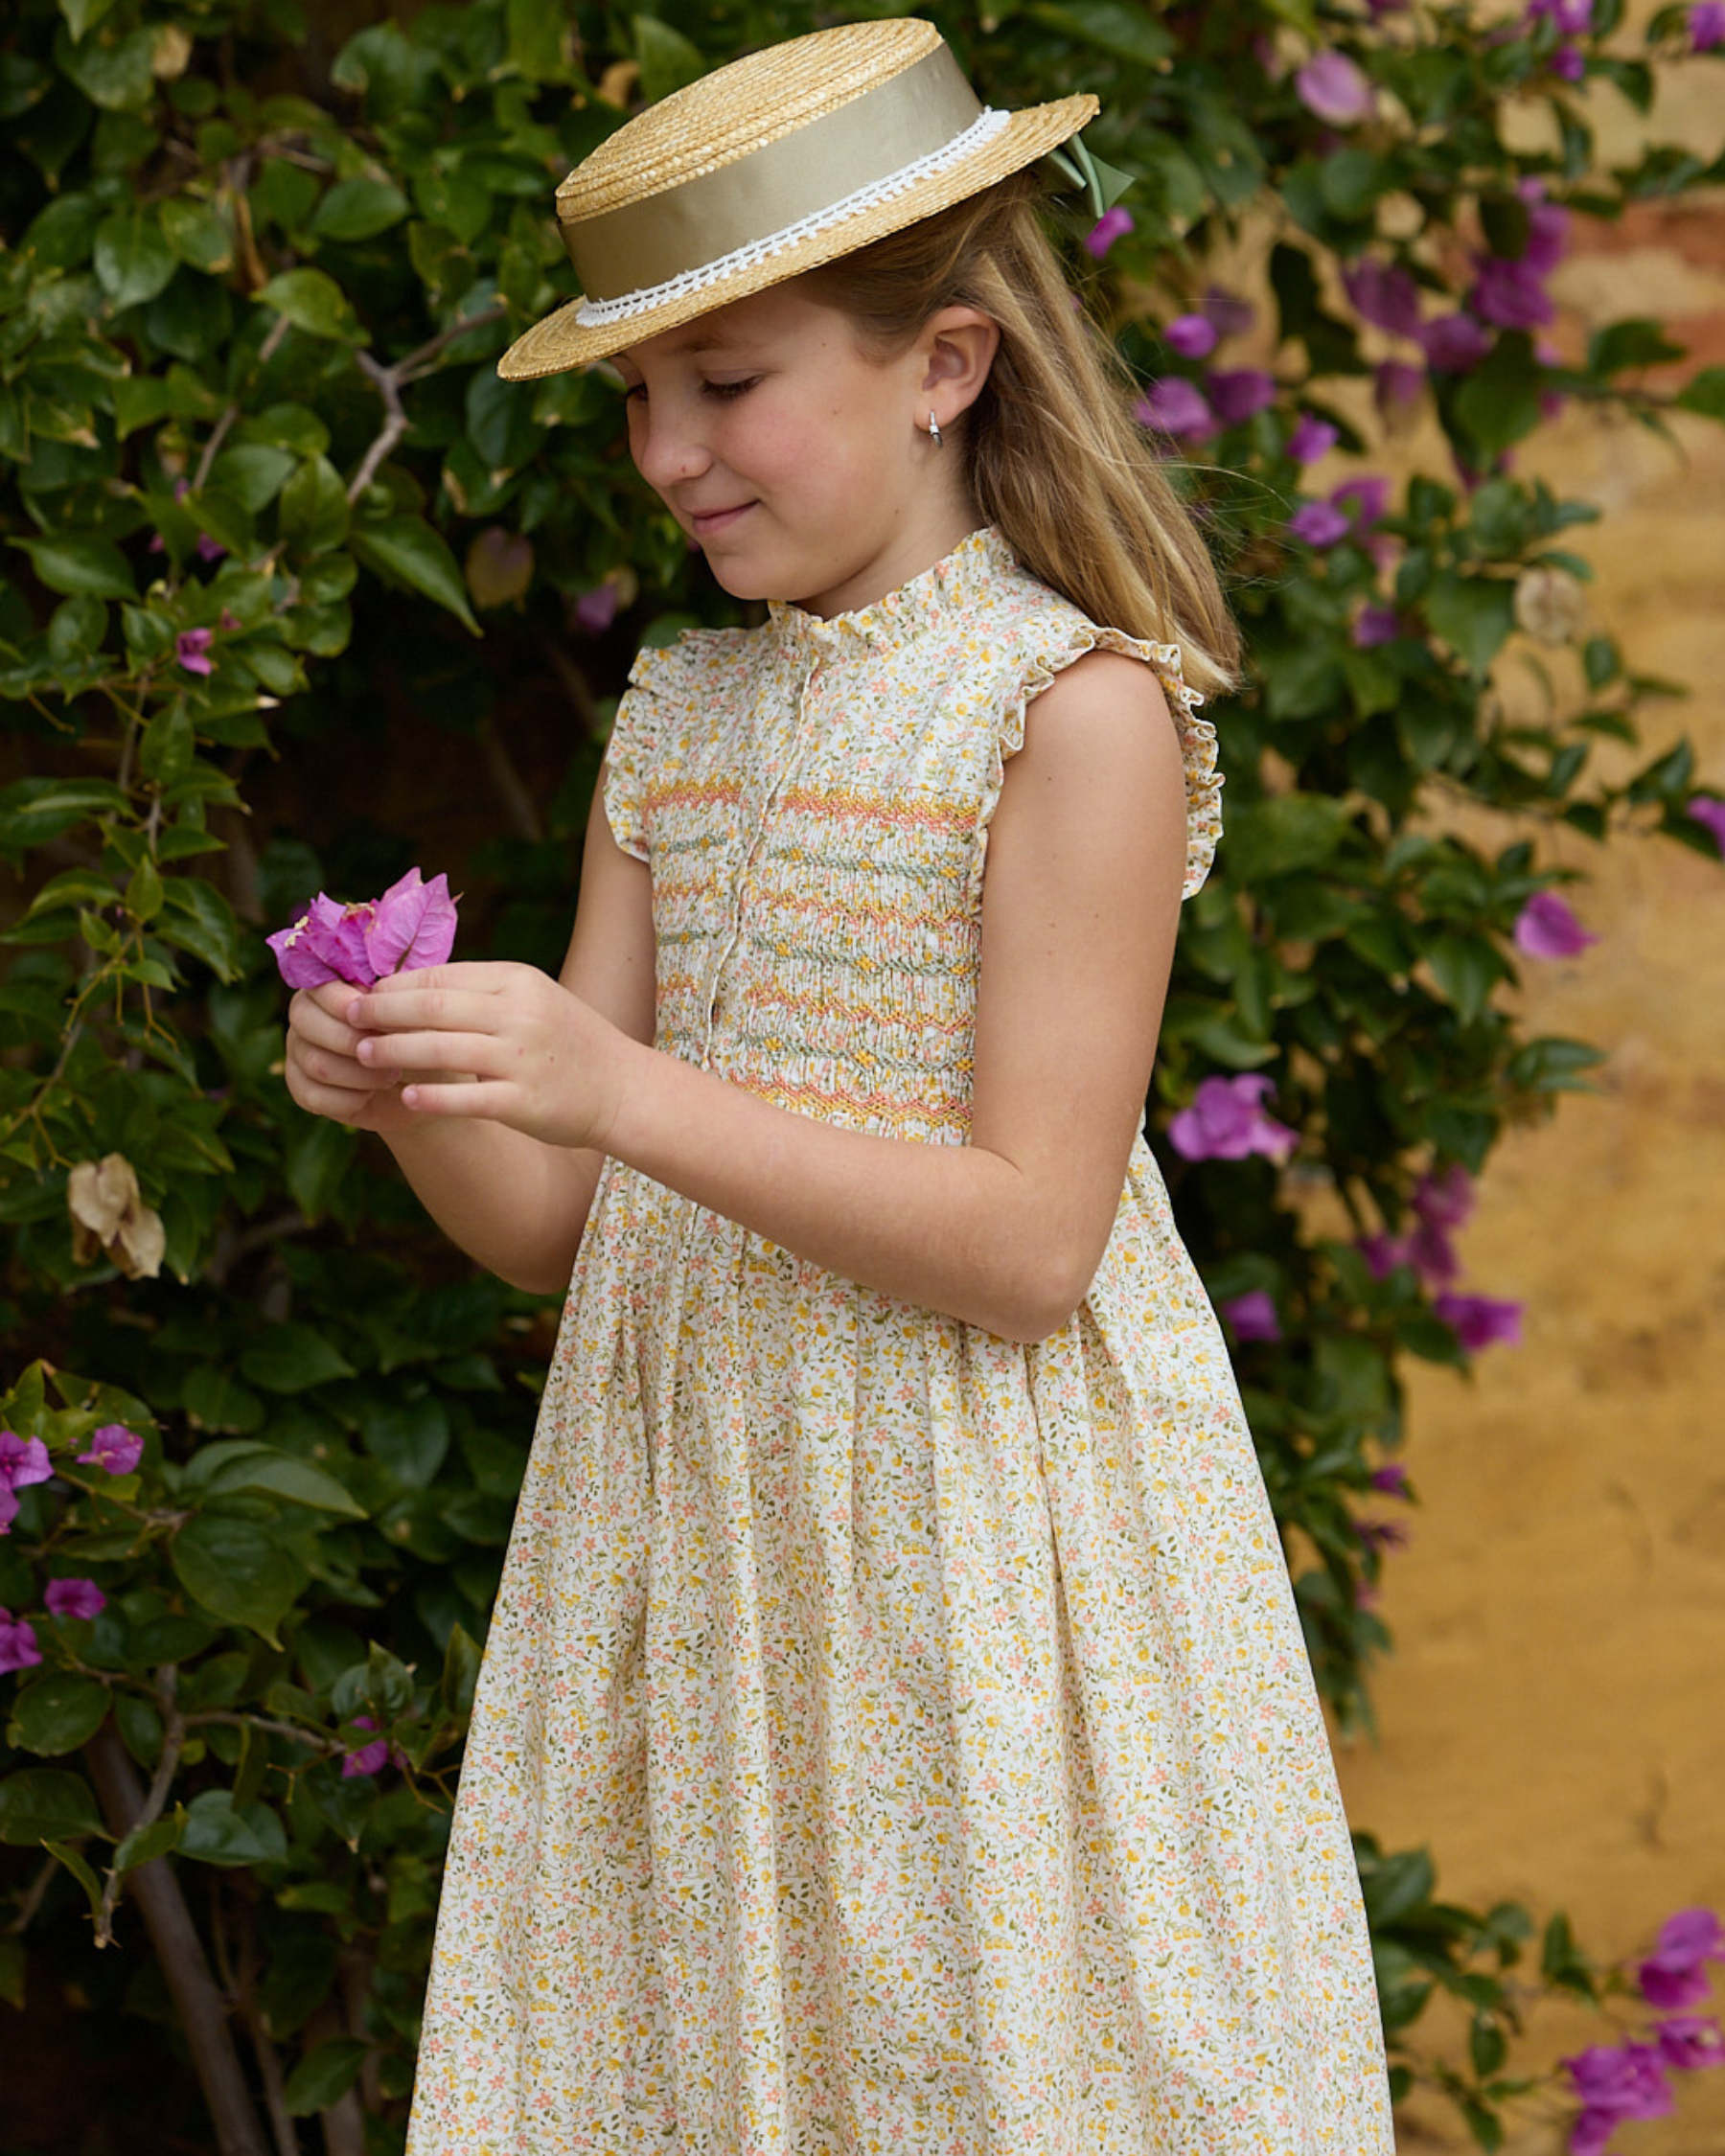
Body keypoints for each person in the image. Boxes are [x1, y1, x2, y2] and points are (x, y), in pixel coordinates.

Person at [284, 19, 1395, 2153]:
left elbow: (1029, 1243)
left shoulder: (1074, 713)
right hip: (698, 1519)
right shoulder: (675, 712)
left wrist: (608, 1087)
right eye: (637, 400)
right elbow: (548, 1226)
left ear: (946, 367)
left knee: (981, 2046)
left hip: (979, 1542)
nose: (673, 451)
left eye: (727, 382)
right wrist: (429, 1085)